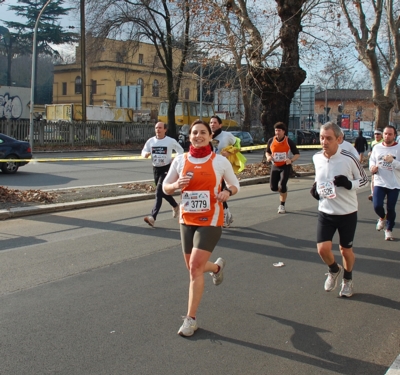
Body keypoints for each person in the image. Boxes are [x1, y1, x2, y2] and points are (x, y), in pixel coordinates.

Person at [163, 120, 240, 337]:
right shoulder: (180, 160)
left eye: (203, 132)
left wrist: (228, 193)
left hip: (211, 219)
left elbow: (235, 184)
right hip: (186, 219)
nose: (198, 135)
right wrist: (176, 186)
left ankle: (190, 319)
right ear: (189, 137)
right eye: (194, 132)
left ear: (209, 136)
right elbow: (165, 187)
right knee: (192, 267)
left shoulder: (220, 162)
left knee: (195, 267)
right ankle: (216, 268)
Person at [311, 122, 368, 297]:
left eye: (328, 138)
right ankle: (334, 270)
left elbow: (365, 180)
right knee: (322, 249)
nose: (324, 142)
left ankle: (348, 280)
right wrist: (315, 187)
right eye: (322, 138)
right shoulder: (316, 158)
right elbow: (320, 178)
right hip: (326, 211)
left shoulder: (348, 159)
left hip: (347, 213)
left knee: (345, 250)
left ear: (339, 139)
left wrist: (349, 183)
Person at [141, 122, 184, 227]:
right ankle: (175, 205)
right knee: (163, 192)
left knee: (158, 192)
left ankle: (153, 217)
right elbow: (143, 151)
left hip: (166, 169)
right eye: (156, 128)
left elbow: (180, 150)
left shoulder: (170, 141)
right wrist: (145, 154)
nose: (158, 130)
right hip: (156, 168)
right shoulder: (151, 141)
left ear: (165, 129)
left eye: (160, 128)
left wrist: (174, 159)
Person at [369, 125, 400, 241]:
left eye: (390, 134)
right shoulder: (377, 147)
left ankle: (388, 230)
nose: (387, 136)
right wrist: (372, 167)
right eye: (385, 134)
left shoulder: (399, 148)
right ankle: (382, 217)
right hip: (380, 181)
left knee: (391, 208)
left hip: (394, 183)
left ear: (394, 136)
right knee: (377, 205)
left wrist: (394, 161)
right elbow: (372, 160)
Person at [265, 122, 300, 214]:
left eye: (279, 130)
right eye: (276, 130)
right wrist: (268, 157)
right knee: (273, 187)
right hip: (275, 166)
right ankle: (282, 190)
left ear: (284, 131)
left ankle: (282, 205)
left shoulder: (289, 141)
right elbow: (267, 152)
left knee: (282, 185)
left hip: (285, 166)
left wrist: (291, 160)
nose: (277, 132)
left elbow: (297, 154)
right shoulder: (271, 141)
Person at [209, 115, 237, 227]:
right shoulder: (207, 135)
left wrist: (230, 152)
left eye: (215, 122)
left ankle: (225, 214)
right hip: (211, 167)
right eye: (211, 122)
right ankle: (227, 214)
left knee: (220, 190)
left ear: (220, 125)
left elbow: (238, 145)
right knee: (217, 191)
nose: (212, 124)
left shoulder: (227, 135)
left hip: (224, 167)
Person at [367, 129, 383, 201]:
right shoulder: (373, 142)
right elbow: (371, 150)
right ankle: (372, 193)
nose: (376, 135)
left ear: (381, 135)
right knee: (373, 179)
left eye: (378, 134)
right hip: (374, 163)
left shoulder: (383, 142)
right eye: (375, 134)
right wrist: (370, 153)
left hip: (382, 164)